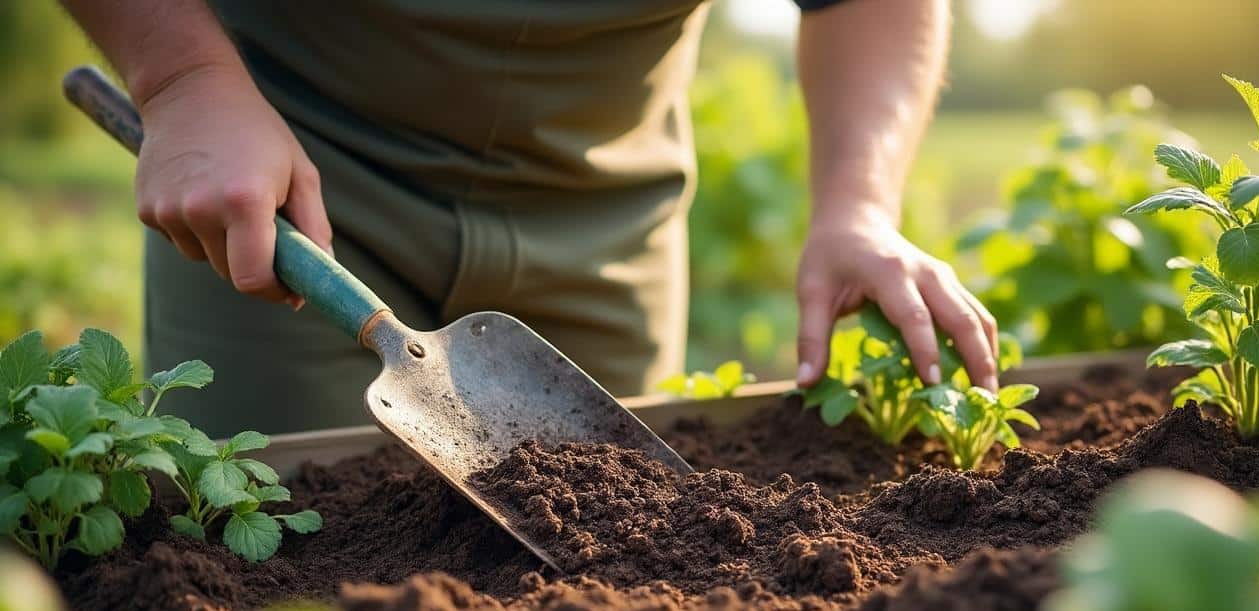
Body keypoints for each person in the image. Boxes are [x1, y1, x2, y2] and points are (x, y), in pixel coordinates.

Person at [62, 0, 998, 437]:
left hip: (605, 222)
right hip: (293, 194)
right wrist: (181, 77)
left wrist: (859, 204)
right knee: (267, 590)